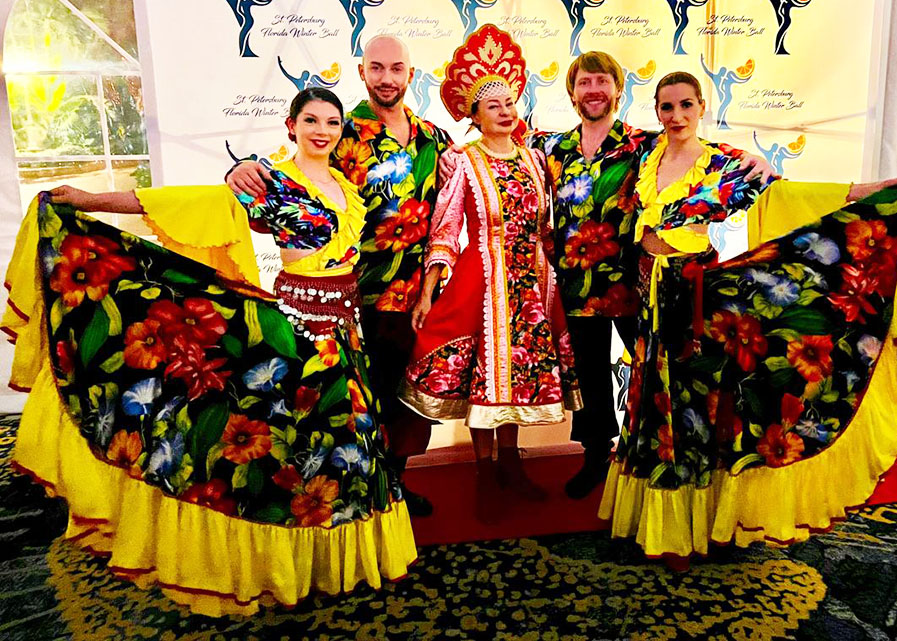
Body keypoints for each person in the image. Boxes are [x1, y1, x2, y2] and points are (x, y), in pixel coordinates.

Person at [2, 87, 416, 616]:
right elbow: (188, 203)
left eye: (332, 122)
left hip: (346, 332)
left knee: (349, 449)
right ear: (291, 126)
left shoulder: (345, 186)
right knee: (298, 451)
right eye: (310, 120)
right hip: (303, 331)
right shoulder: (269, 179)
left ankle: (328, 566)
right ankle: (277, 567)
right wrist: (89, 201)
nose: (322, 130)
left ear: (341, 130)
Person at [597, 71, 897, 564]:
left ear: (702, 106)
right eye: (666, 107)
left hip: (697, 294)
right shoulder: (644, 157)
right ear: (656, 111)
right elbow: (597, 147)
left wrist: (872, 191)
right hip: (650, 295)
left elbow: (791, 195)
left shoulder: (725, 164)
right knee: (651, 401)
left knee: (694, 407)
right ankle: (656, 520)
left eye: (685, 105)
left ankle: (692, 528)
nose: (676, 116)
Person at [527, 51, 774, 500]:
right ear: (572, 92)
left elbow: (699, 152)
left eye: (603, 81)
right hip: (577, 283)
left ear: (618, 91)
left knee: (654, 372)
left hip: (636, 282)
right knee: (590, 373)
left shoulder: (642, 143)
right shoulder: (550, 149)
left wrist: (752, 157)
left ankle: (653, 456)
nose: (594, 90)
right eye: (585, 82)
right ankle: (594, 456)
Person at [227, 36, 452, 517]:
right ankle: (352, 489)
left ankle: (397, 482)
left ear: (411, 74)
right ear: (362, 71)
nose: (387, 78)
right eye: (377, 68)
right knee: (349, 405)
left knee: (408, 396)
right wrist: (243, 168)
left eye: (397, 68)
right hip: (354, 294)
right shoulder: (341, 128)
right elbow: (289, 176)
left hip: (421, 294)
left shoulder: (436, 138)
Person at [397, 24, 582, 524]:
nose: (504, 110)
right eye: (492, 104)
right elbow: (445, 227)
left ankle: (512, 466)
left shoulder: (535, 159)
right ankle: (485, 471)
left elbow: (545, 226)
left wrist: (553, 278)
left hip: (531, 283)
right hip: (483, 280)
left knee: (519, 378)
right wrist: (428, 293)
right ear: (474, 116)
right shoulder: (464, 160)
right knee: (485, 377)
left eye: (508, 101)